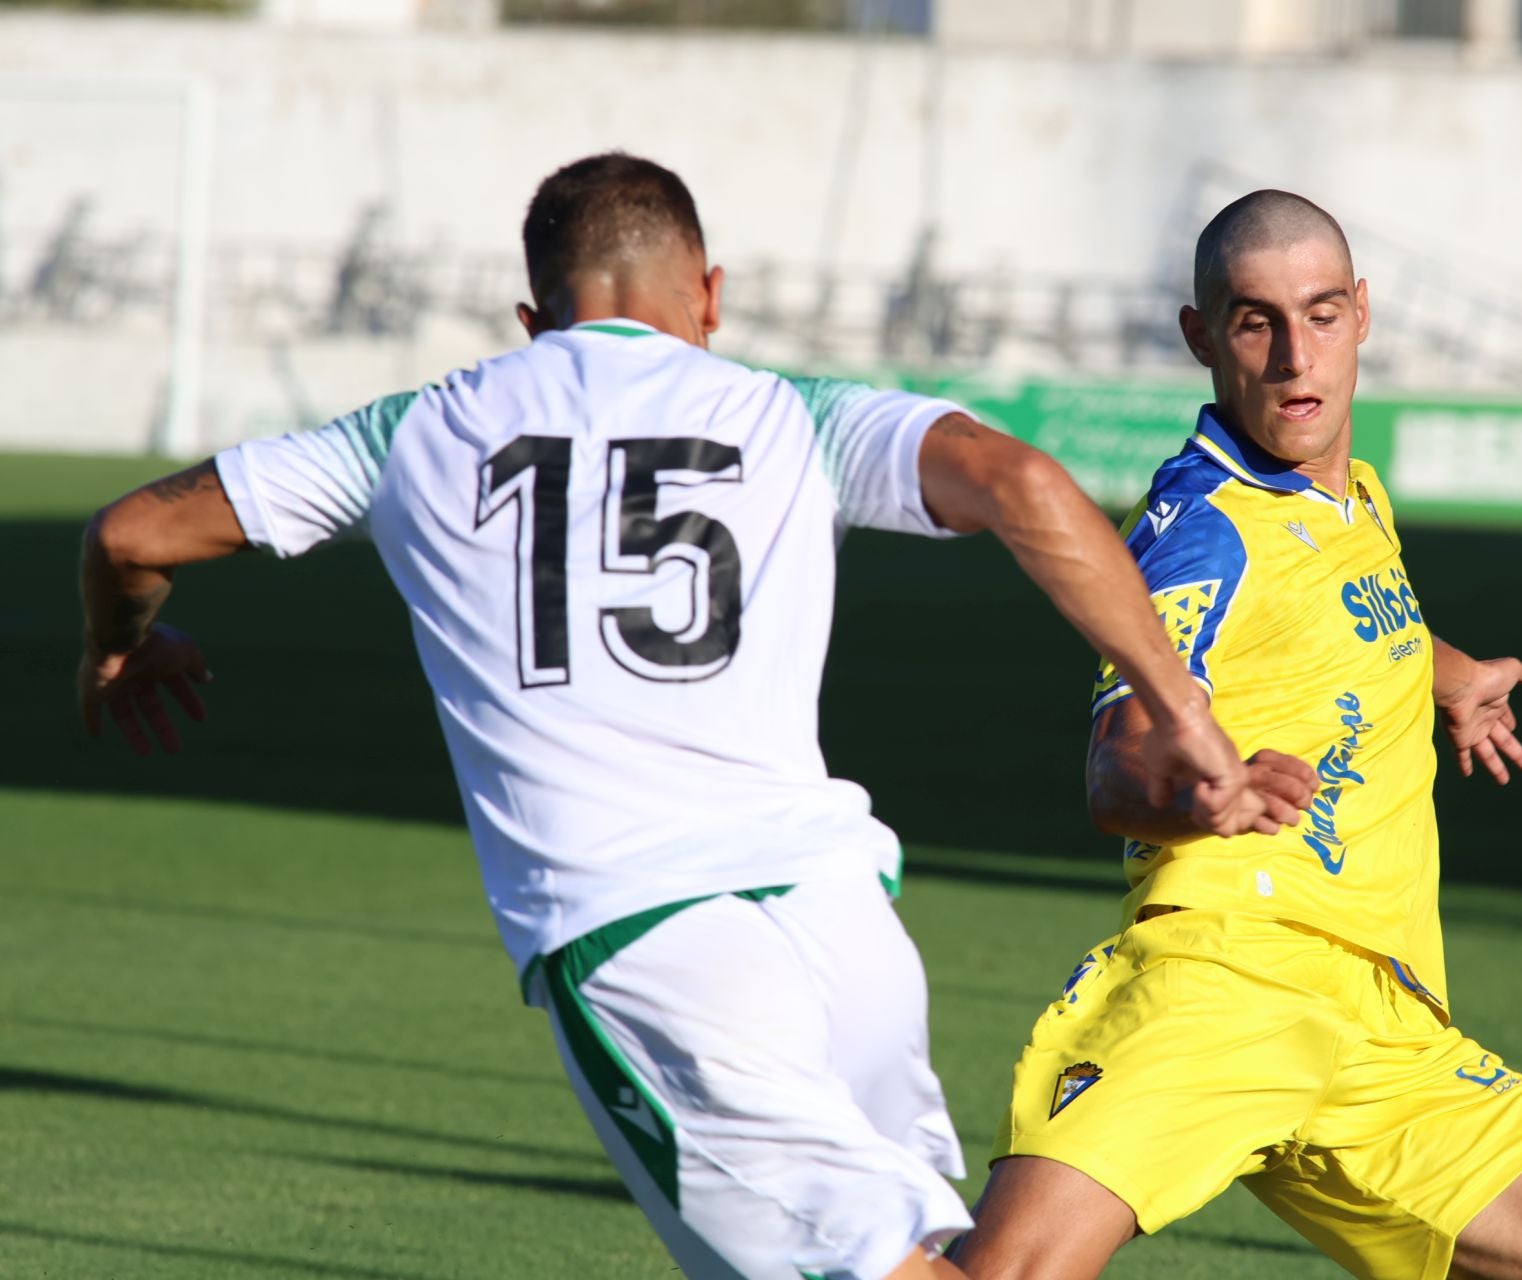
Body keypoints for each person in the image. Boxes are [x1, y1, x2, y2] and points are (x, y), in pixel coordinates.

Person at [75, 153, 1282, 1280]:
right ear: (709, 293)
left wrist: (125, 642)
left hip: (648, 943)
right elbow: (1021, 482)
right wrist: (1179, 702)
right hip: (841, 926)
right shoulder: (792, 412)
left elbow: (130, 535)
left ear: (533, 321)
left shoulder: (414, 431)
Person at [948, 191, 1522, 1280]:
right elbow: (1119, 760)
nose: (1293, 356)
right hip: (1231, 979)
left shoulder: (1348, 498)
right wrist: (1198, 795)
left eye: (1320, 314)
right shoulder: (1203, 535)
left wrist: (1454, 676)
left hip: (1388, 1032)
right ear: (1200, 338)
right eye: (1253, 321)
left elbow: (1357, 619)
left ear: (1362, 313)